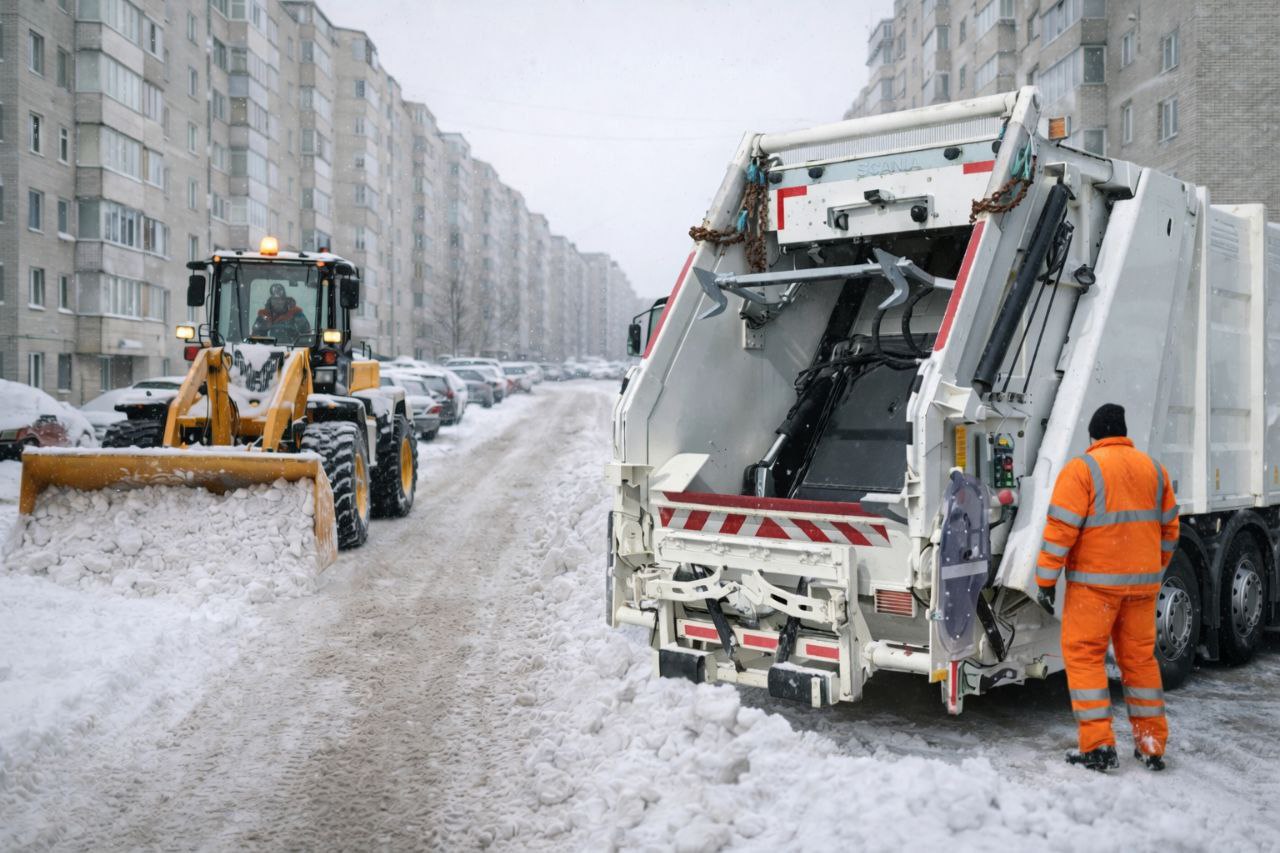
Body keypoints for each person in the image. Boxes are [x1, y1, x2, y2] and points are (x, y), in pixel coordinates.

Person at [1036, 403, 1179, 772]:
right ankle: (1151, 744)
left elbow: (1060, 531)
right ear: (1123, 433)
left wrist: (1046, 580)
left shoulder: (1083, 469)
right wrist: (1153, 569)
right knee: (1140, 661)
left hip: (1094, 588)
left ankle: (1099, 745)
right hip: (1142, 587)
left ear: (1094, 435)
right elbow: (1170, 530)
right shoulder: (1154, 470)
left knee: (1085, 657)